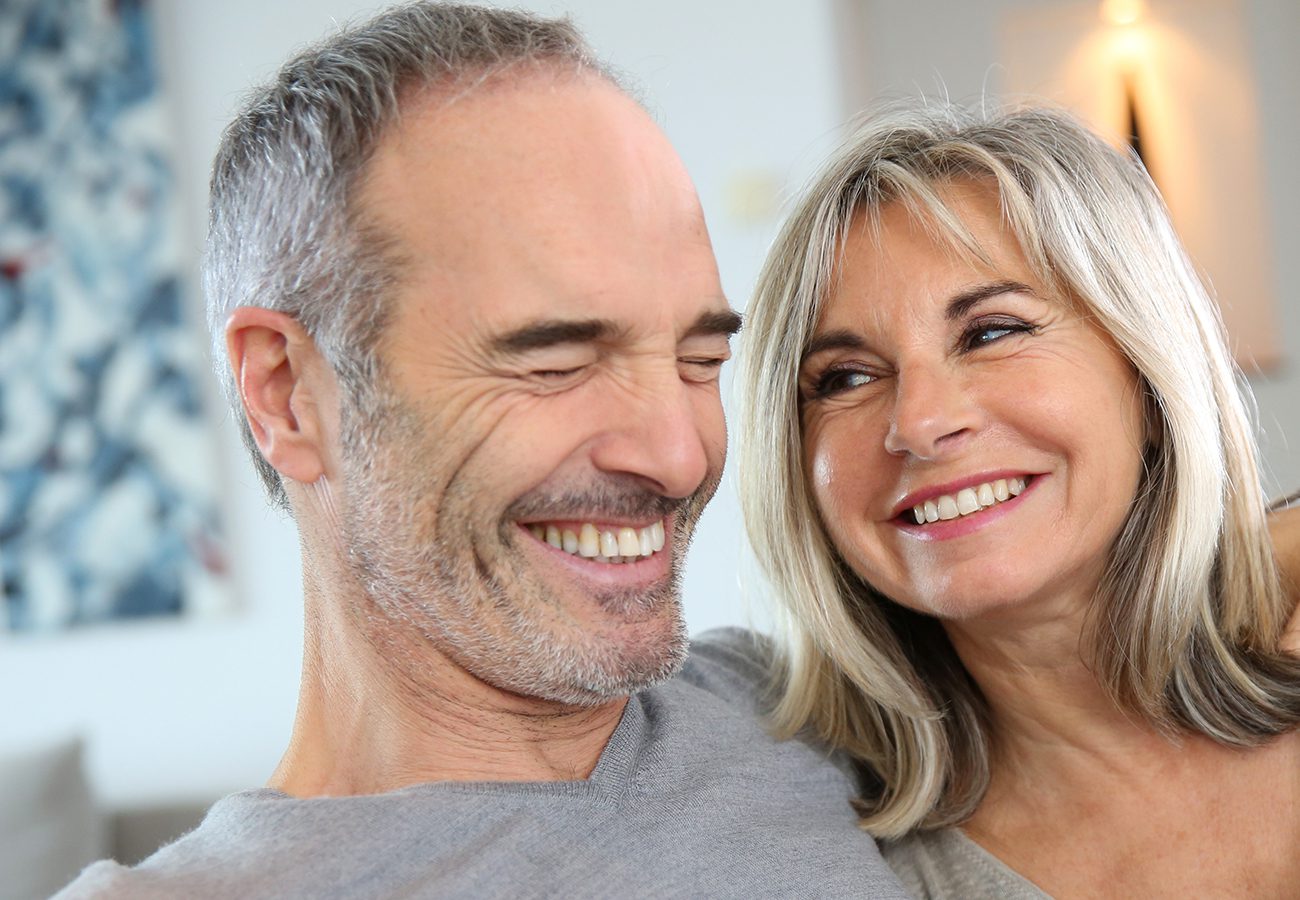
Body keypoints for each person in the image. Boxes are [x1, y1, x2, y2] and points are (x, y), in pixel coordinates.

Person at [57, 4, 909, 898]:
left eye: (700, 360)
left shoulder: (806, 709)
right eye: (556, 361)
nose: (677, 456)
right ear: (287, 394)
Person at [738, 101, 1300, 898]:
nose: (921, 423)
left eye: (991, 332)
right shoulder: (864, 872)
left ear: (1146, 376)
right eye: (845, 378)